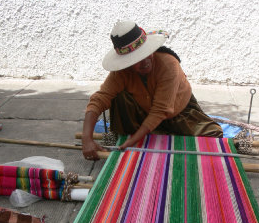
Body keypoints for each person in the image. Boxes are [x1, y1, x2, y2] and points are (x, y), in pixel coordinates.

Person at [82, 21, 222, 160]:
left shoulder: (168, 64)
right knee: (119, 97)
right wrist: (86, 139)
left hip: (179, 113)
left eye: (146, 54)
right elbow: (99, 99)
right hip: (145, 112)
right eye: (136, 59)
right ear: (127, 62)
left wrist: (134, 140)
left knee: (213, 136)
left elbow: (161, 109)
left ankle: (154, 135)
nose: (145, 61)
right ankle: (153, 135)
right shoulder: (121, 73)